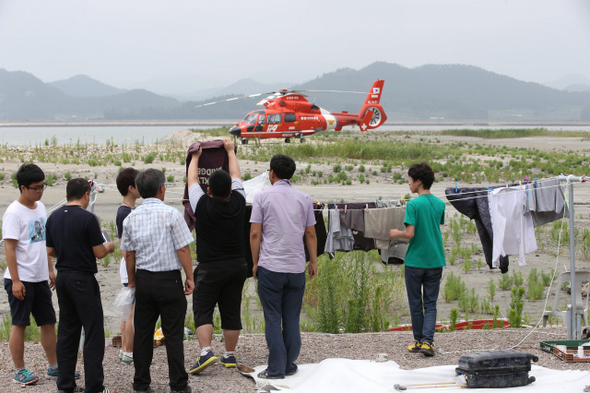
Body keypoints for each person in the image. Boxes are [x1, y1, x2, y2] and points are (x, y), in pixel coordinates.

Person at [121, 169, 194, 393]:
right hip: (169, 280)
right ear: (162, 189)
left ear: (141, 191)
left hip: (144, 280)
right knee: (173, 335)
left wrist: (132, 281)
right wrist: (189, 276)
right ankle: (178, 385)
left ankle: (141, 384)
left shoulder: (131, 217)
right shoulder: (171, 215)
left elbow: (128, 254)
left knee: (143, 334)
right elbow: (182, 248)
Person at [250, 154, 318, 379]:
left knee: (272, 317)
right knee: (291, 317)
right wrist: (314, 261)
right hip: (296, 267)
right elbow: (310, 233)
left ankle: (276, 369)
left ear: (271, 173)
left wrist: (255, 262)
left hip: (271, 266)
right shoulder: (304, 198)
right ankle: (289, 363)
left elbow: (255, 233)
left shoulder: (262, 197)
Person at [46, 178, 116, 393]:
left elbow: (50, 251)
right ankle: (94, 386)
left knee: (67, 332)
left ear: (67, 194)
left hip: (63, 277)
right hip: (83, 279)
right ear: (86, 194)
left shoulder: (53, 217)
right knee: (93, 332)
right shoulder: (88, 218)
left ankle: (65, 384)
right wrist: (110, 246)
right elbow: (99, 252)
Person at [186, 138, 248, 374]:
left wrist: (195, 157)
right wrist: (231, 152)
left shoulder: (202, 205)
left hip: (210, 267)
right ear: (230, 190)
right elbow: (236, 175)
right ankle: (229, 356)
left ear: (208, 189)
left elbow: (192, 180)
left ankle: (205, 353)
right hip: (237, 266)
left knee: (202, 308)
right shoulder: (239, 202)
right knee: (231, 309)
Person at [2, 163, 60, 386]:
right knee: (20, 323)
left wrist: (49, 269)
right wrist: (16, 280)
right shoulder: (14, 212)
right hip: (21, 278)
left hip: (40, 277)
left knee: (48, 321)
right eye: (36, 188)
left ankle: (54, 367)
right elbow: (9, 248)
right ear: (23, 187)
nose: (40, 191)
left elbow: (42, 241)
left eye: (43, 186)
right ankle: (19, 370)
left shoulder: (41, 207)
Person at [389, 162, 446, 357]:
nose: (409, 183)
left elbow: (410, 233)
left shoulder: (413, 204)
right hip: (436, 259)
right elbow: (435, 226)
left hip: (415, 261)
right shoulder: (440, 204)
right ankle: (428, 343)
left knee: (416, 302)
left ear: (419, 182)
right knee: (430, 303)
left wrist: (397, 233)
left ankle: (420, 340)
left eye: (410, 180)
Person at [115, 167, 140, 366]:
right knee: (131, 311)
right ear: (131, 188)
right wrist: (135, 268)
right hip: (131, 267)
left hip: (128, 267)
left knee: (127, 310)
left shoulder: (126, 210)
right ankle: (128, 350)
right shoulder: (125, 212)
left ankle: (125, 349)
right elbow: (125, 247)